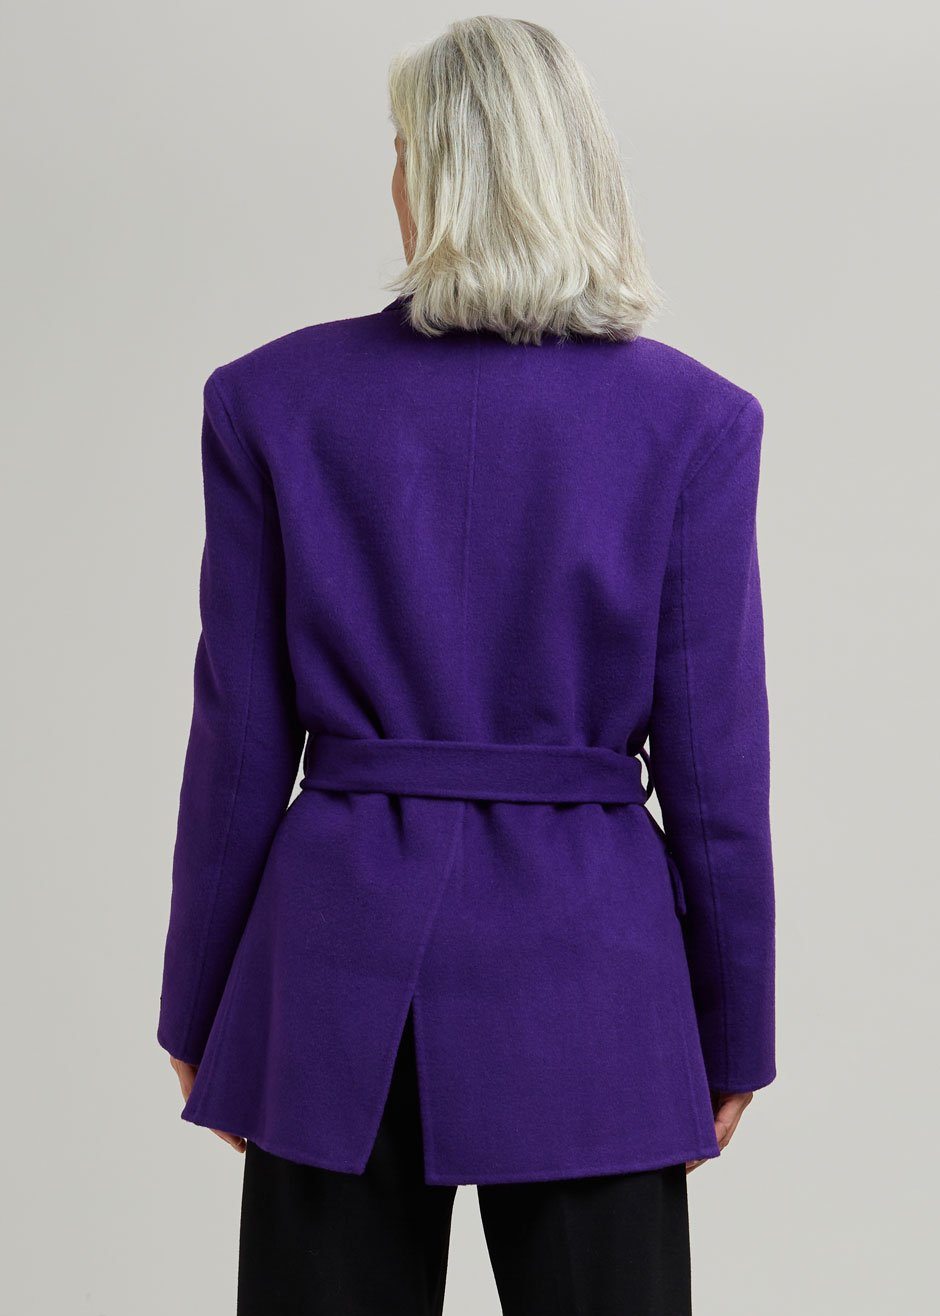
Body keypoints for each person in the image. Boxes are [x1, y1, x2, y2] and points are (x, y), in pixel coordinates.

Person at [158, 15, 776, 1315]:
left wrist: (208, 1012)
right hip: (596, 980)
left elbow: (239, 745)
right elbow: (715, 772)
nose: (391, 179)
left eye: (401, 150)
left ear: (437, 176)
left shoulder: (271, 401)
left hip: (334, 978)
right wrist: (733, 1032)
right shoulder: (693, 423)